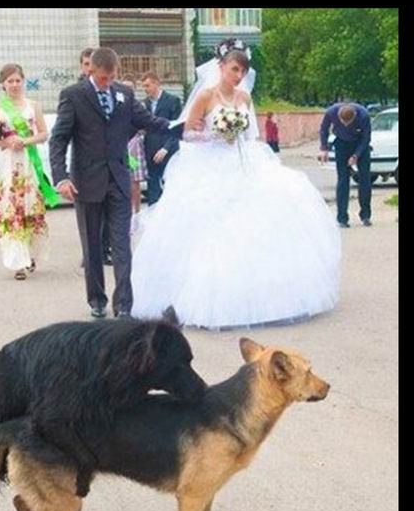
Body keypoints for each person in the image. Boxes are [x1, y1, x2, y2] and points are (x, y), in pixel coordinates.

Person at [131, 39, 341, 330]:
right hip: (210, 164)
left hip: (242, 161)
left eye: (242, 71)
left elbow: (251, 134)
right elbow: (187, 134)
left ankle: (266, 297)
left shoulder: (244, 98)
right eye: (234, 69)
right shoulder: (205, 96)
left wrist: (237, 137)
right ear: (221, 67)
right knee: (211, 228)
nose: (239, 75)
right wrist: (214, 136)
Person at [49, 47, 175, 319]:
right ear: (90, 70)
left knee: (122, 245)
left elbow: (148, 121)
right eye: (103, 78)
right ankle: (97, 299)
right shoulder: (73, 95)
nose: (107, 83)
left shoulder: (124, 94)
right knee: (92, 246)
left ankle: (124, 305)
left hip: (118, 180)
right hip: (86, 182)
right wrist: (61, 177)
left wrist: (181, 126)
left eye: (112, 77)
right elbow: (58, 139)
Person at [0, 64, 56, 280]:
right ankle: (17, 263)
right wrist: (6, 142)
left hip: (28, 163)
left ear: (23, 81)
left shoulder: (33, 106)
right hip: (8, 164)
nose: (14, 85)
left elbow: (43, 134)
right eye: (10, 81)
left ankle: (30, 255)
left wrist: (25, 141)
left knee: (30, 207)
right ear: (3, 84)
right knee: (11, 209)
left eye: (18, 80)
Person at [78, 47, 112, 265]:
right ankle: (90, 253)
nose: (89, 67)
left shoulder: (113, 89)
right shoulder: (76, 93)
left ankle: (106, 248)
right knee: (90, 219)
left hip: (111, 164)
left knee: (110, 215)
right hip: (87, 168)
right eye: (85, 64)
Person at [319, 102, 372, 228]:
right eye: (343, 123)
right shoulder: (331, 112)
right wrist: (324, 148)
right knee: (343, 180)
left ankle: (365, 215)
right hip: (341, 144)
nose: (346, 125)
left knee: (365, 179)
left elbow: (366, 138)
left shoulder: (363, 115)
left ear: (355, 116)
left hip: (360, 144)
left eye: (349, 123)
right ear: (338, 116)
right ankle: (342, 218)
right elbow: (324, 129)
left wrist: (356, 155)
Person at [141, 71, 182, 205]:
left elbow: (177, 128)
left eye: (147, 86)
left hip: (168, 150)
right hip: (150, 150)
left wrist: (166, 148)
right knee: (152, 187)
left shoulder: (173, 101)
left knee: (170, 186)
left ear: (156, 83)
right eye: (143, 86)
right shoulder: (144, 104)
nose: (145, 89)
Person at [120, 75, 148, 228]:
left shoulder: (139, 105)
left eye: (130, 87)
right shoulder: (116, 102)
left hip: (134, 144)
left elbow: (146, 123)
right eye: (125, 86)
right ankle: (125, 214)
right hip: (118, 144)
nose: (127, 89)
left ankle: (136, 214)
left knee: (134, 183)